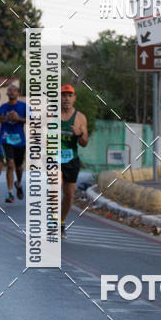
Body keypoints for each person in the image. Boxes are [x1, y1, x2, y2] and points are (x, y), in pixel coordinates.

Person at [59, 84, 89, 238]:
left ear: (74, 98)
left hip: (71, 159)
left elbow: (84, 143)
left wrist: (79, 134)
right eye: (64, 95)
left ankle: (61, 222)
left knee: (69, 195)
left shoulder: (80, 117)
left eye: (70, 95)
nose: (66, 99)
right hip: (54, 158)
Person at [0, 84, 27, 203]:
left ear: (18, 93)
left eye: (13, 90)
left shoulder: (24, 106)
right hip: (6, 138)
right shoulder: (3, 107)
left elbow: (34, 120)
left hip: (20, 140)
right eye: (9, 90)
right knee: (10, 164)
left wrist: (18, 119)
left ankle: (18, 183)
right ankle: (10, 193)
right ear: (7, 94)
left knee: (19, 167)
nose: (11, 92)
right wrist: (1, 120)